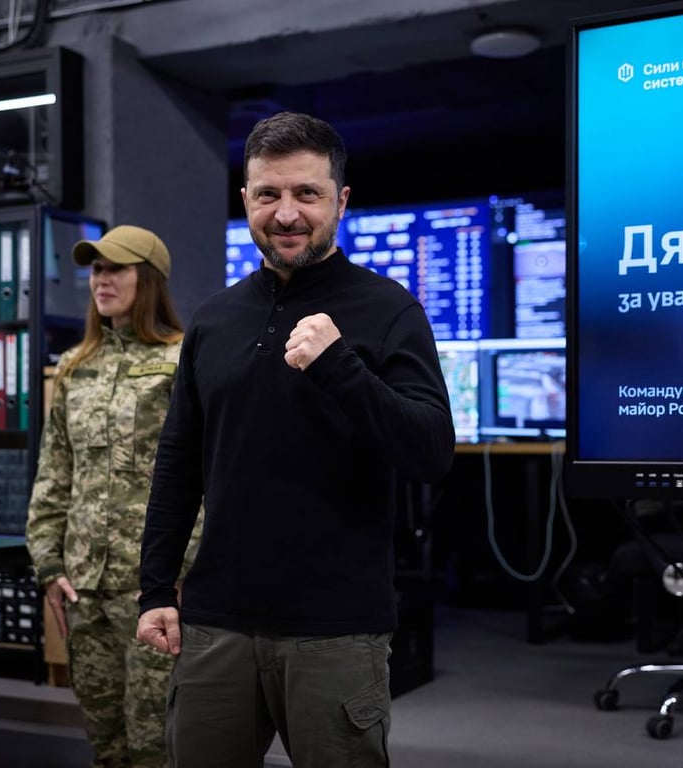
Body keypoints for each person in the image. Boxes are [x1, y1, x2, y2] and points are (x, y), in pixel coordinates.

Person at [136, 110, 456, 767]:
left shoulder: (388, 310)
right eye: (268, 195)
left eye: (306, 194)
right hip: (216, 621)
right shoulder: (215, 319)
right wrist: (155, 589)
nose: (286, 214)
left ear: (340, 201)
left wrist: (341, 367)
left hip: (334, 630)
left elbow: (430, 451)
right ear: (246, 200)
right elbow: (179, 464)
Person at [26, 224, 199, 768]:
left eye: (115, 268)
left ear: (147, 279)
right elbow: (55, 469)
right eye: (96, 269)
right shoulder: (77, 365)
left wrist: (183, 569)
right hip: (83, 585)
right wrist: (49, 564)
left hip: (151, 586)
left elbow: (206, 477)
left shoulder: (181, 361)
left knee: (156, 742)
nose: (101, 280)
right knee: (105, 740)